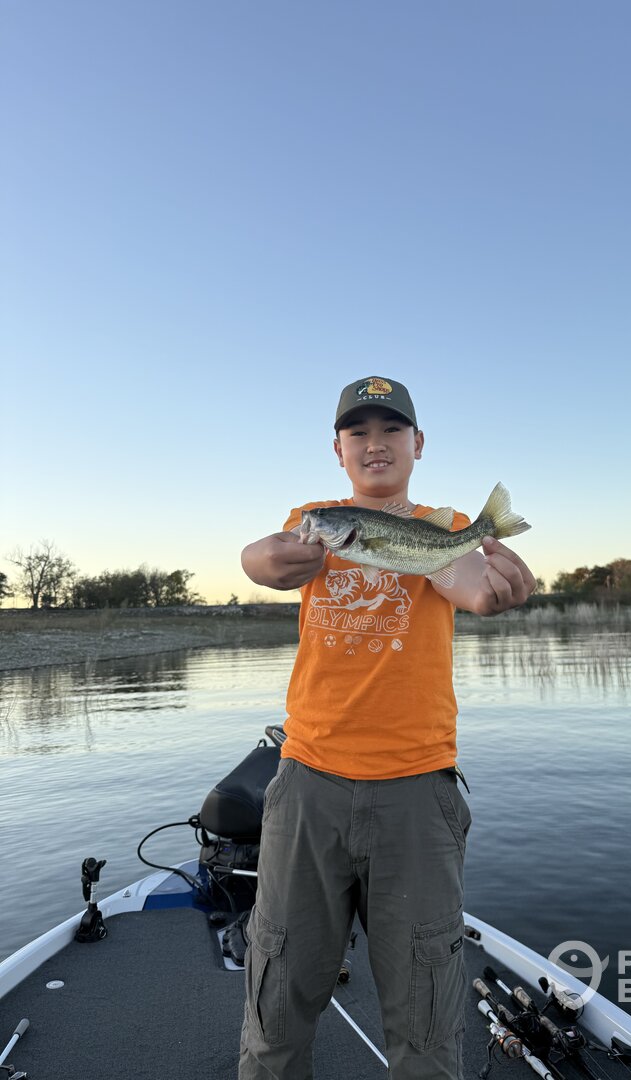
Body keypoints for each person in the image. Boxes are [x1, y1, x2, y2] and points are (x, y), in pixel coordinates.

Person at [238, 376, 535, 1080]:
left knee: (425, 1016)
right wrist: (262, 559)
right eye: (359, 432)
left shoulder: (442, 524)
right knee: (278, 996)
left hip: (417, 791)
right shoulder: (315, 520)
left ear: (418, 444)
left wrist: (492, 589)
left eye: (392, 430)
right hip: (308, 782)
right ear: (338, 449)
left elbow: (466, 582)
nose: (376, 444)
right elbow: (264, 560)